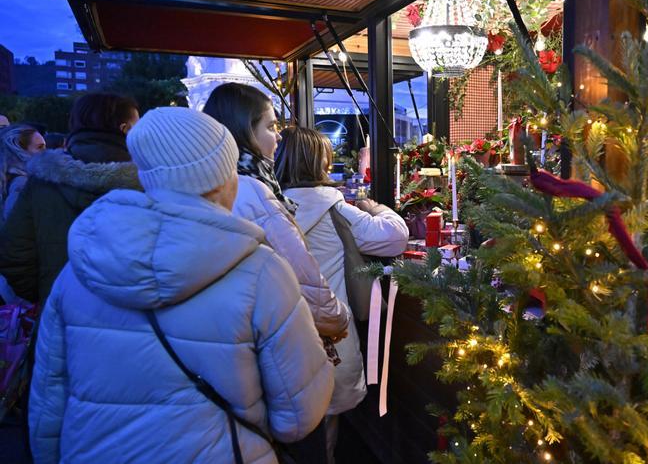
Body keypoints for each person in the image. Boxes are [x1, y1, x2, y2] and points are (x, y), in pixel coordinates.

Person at [28, 107, 333, 464]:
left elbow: (48, 406)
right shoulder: (262, 272)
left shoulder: (80, 270)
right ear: (221, 177)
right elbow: (299, 416)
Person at [276, 126, 409, 462]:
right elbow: (396, 237)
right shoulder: (336, 211)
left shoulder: (269, 210)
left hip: (280, 337)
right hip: (329, 338)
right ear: (319, 163)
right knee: (325, 434)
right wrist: (377, 208)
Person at [203, 83, 350, 342]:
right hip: (272, 334)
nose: (278, 136)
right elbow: (301, 276)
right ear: (245, 131)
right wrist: (338, 317)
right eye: (271, 127)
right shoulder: (251, 190)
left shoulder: (212, 184)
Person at [0, 93, 141, 307]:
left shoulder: (40, 182)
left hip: (58, 320)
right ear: (125, 129)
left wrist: (50, 296)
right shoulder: (150, 184)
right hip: (134, 321)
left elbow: (14, 258)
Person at [1, 124, 46, 219]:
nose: (45, 152)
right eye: (40, 147)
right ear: (19, 151)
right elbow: (14, 223)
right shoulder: (22, 183)